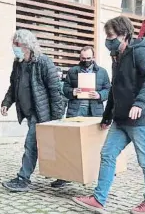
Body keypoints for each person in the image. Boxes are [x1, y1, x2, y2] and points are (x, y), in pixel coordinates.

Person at [72, 16, 145, 214]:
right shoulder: (117, 55)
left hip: (140, 120)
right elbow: (116, 87)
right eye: (107, 36)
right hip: (121, 120)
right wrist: (107, 116)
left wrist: (140, 102)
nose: (108, 40)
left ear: (124, 35)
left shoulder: (141, 52)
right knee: (107, 154)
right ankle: (99, 198)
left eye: (111, 36)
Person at [1, 29, 64, 192]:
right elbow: (13, 85)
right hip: (29, 113)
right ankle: (63, 175)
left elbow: (55, 91)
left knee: (31, 144)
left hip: (42, 113)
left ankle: (23, 179)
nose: (14, 48)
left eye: (17, 45)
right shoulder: (18, 63)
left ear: (27, 45)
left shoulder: (44, 62)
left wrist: (57, 119)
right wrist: (6, 102)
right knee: (47, 146)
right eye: (13, 44)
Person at [51, 46, 111, 188]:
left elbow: (109, 89)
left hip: (95, 112)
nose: (86, 61)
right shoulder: (73, 71)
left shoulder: (102, 72)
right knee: (69, 145)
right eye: (83, 59)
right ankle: (64, 177)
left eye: (88, 59)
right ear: (80, 58)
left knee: (94, 145)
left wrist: (100, 95)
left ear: (93, 58)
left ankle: (94, 175)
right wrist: (72, 91)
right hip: (76, 111)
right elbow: (64, 89)